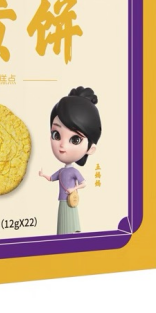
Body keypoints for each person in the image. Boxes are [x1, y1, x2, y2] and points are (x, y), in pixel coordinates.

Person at [39, 87, 102, 234]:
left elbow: (84, 183)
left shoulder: (73, 171)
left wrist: (73, 189)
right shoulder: (61, 171)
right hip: (62, 201)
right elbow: (51, 178)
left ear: (90, 149)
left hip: (70, 201)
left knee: (71, 225)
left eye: (75, 139)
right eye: (56, 135)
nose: (62, 145)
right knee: (62, 226)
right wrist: (43, 175)